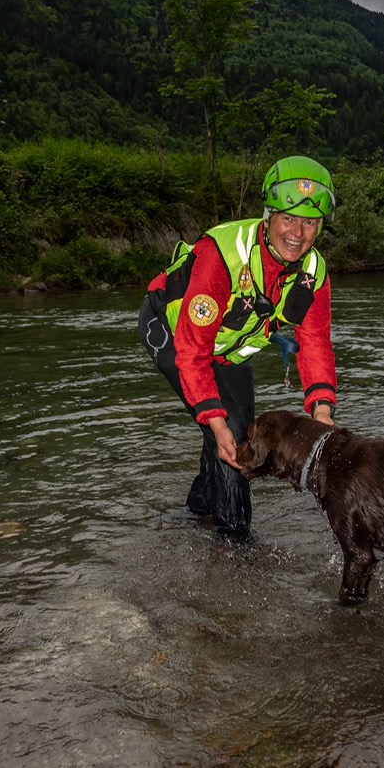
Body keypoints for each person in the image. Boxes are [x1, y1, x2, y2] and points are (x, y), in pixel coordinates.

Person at [138, 155, 338, 541]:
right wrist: (213, 418)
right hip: (171, 331)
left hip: (228, 350)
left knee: (237, 433)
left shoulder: (314, 274)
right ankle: (235, 543)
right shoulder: (224, 255)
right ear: (268, 216)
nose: (298, 233)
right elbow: (193, 352)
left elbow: (314, 343)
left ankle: (198, 510)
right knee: (227, 432)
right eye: (288, 218)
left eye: (310, 222)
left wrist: (322, 410)